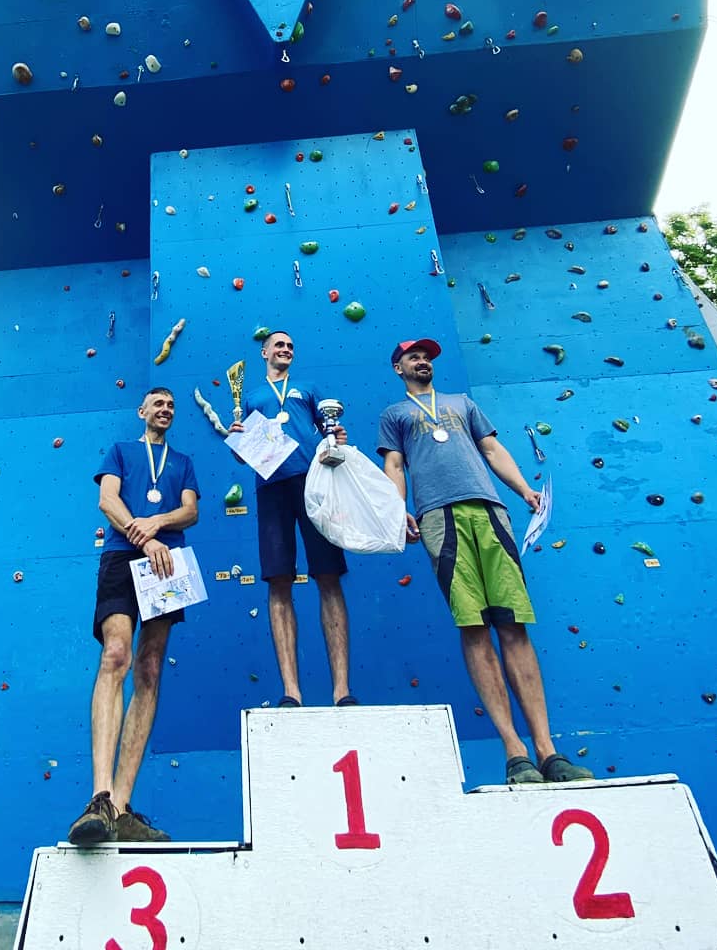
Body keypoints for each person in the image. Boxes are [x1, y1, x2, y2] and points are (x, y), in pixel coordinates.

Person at [377, 338, 594, 785]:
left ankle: (548, 751)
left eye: (427, 356)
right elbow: (395, 466)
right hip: (439, 518)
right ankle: (515, 752)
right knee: (473, 625)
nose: (423, 361)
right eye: (414, 357)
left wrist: (523, 490)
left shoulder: (462, 403)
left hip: (490, 511)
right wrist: (396, 509)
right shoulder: (394, 415)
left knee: (513, 623)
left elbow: (493, 450)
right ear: (399, 368)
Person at [67, 387, 200, 845]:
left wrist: (159, 525)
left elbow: (190, 510)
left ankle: (122, 807)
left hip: (168, 564)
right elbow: (108, 500)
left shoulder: (182, 461)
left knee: (149, 668)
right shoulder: (121, 451)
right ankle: (99, 797)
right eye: (156, 404)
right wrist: (143, 539)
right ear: (142, 412)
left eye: (170, 406)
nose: (164, 410)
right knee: (117, 655)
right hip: (125, 557)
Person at [229, 330, 355, 708]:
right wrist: (238, 440)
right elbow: (242, 456)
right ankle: (291, 691)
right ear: (265, 352)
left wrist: (338, 436)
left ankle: (342, 690)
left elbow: (330, 431)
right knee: (278, 581)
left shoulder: (308, 389)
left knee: (329, 578)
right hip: (272, 489)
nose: (285, 349)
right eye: (279, 345)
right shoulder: (250, 397)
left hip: (316, 484)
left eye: (290, 345)